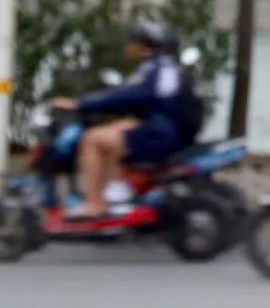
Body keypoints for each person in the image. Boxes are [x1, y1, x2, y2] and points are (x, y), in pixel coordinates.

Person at [56, 19, 187, 221]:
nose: (128, 46)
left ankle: (94, 204)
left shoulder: (154, 69)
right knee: (119, 127)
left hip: (159, 136)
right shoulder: (164, 67)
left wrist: (80, 104)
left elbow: (130, 95)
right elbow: (135, 96)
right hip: (166, 130)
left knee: (92, 139)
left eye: (132, 41)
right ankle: (118, 188)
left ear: (143, 47)